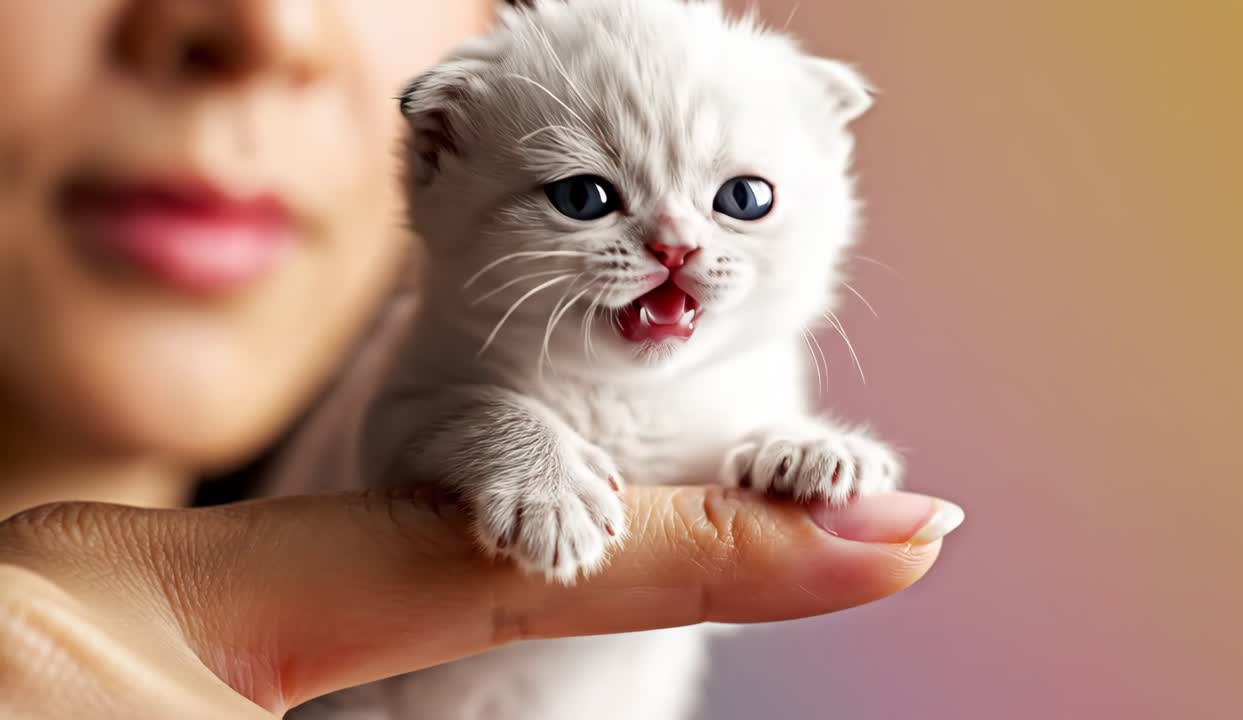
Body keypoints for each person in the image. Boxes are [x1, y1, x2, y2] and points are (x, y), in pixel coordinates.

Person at [0, 1, 964, 717]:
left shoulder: (757, 364)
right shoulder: (435, 360)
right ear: (440, 148)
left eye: (742, 201)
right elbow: (420, 428)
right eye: (584, 196)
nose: (266, 26)